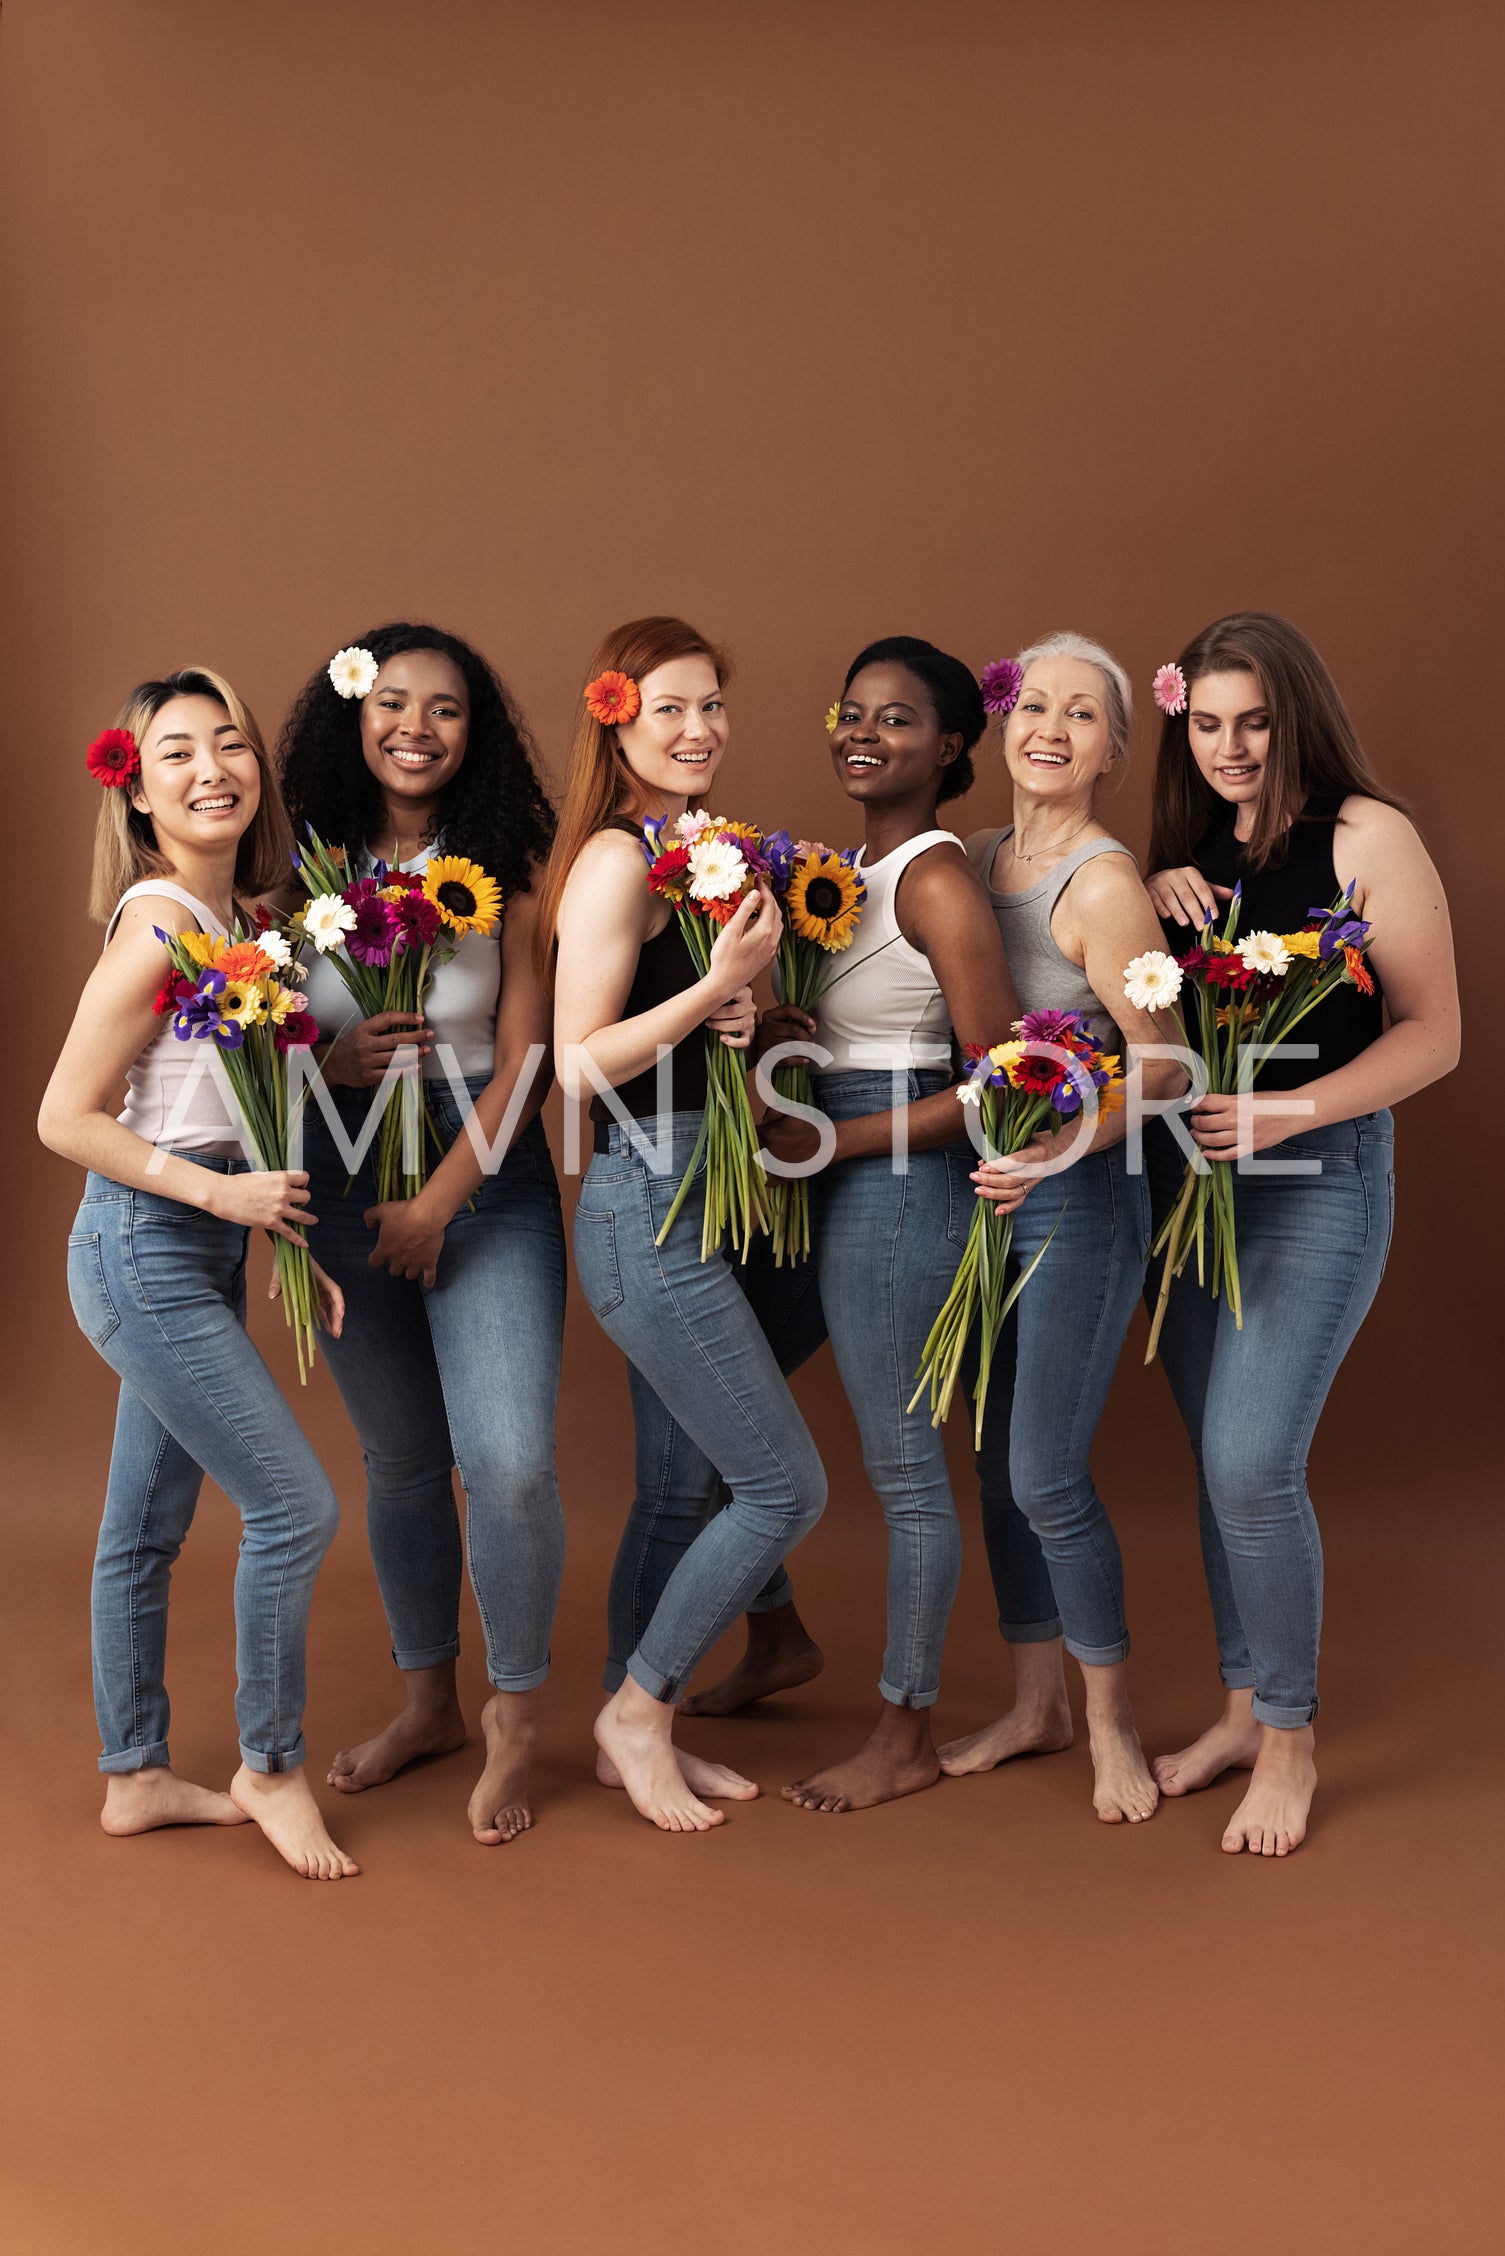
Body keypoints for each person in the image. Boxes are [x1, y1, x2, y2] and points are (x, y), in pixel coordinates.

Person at [1142, 610, 1458, 1855]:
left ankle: (1288, 1738)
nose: (1229, 747)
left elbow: (1434, 1033)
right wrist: (1157, 897)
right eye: (1207, 723)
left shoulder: (1366, 836)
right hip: (1193, 1193)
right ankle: (1236, 1705)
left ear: (1297, 716)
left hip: (1319, 1176)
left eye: (1253, 722)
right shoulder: (1186, 853)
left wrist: (1289, 1112)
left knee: (1248, 1464)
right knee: (1216, 1464)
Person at [39, 668, 357, 1881]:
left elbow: (215, 1111)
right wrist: (225, 1198)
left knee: (142, 1530)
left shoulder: (234, 930)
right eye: (174, 754)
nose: (211, 769)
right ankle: (270, 1765)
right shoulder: (160, 923)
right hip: (141, 1245)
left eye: (229, 745)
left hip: (202, 1244)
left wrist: (274, 1233)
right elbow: (65, 1118)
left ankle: (134, 1777)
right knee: (295, 1509)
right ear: (135, 794)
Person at [278, 623, 564, 1846]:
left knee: (505, 1463)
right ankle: (425, 1703)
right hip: (340, 1169)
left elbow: (531, 1058)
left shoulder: (516, 866)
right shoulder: (296, 874)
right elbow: (255, 1039)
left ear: (475, 731)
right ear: (352, 717)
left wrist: (444, 1194)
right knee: (400, 1461)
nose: (415, 728)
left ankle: (512, 1715)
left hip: (482, 1169)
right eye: (391, 703)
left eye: (445, 709)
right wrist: (327, 1058)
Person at [545, 614, 829, 1833]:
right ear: (616, 715)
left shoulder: (697, 846)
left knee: (676, 1492)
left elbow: (661, 1033)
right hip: (644, 1209)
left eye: (713, 704)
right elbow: (575, 1065)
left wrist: (751, 1026)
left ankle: (624, 1734)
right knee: (781, 1488)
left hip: (705, 1199)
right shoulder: (617, 858)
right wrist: (714, 988)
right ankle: (639, 1710)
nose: (700, 728)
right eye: (670, 706)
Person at [760, 635, 1028, 1814]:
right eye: (850, 710)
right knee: (723, 1409)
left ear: (952, 746)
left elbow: (1005, 1079)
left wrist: (841, 1139)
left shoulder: (933, 879)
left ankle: (903, 1730)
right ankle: (773, 1638)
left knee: (906, 1475)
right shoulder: (841, 875)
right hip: (815, 1163)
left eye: (898, 719)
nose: (861, 733)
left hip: (895, 1179)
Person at [935, 633, 1184, 1823]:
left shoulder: (1100, 884)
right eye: (1032, 705)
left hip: (1075, 1201)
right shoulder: (975, 860)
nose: (1048, 729)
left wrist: (1061, 1145)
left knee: (1042, 1471)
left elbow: (1170, 1066)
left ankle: (1106, 1722)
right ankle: (1033, 1703)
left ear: (1114, 751)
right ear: (999, 722)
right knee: (992, 1463)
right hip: (987, 1194)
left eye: (1081, 717)